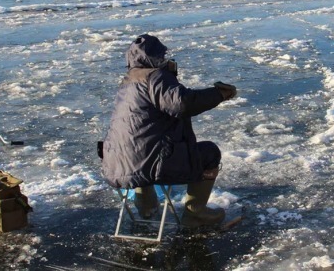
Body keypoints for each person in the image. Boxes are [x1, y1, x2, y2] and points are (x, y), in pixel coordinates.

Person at [101, 34, 237, 227]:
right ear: (156, 57)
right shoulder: (155, 77)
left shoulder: (127, 82)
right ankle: (195, 213)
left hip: (117, 164)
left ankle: (146, 207)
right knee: (209, 152)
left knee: (141, 149)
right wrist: (220, 94)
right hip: (153, 165)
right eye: (162, 56)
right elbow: (182, 104)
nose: (166, 60)